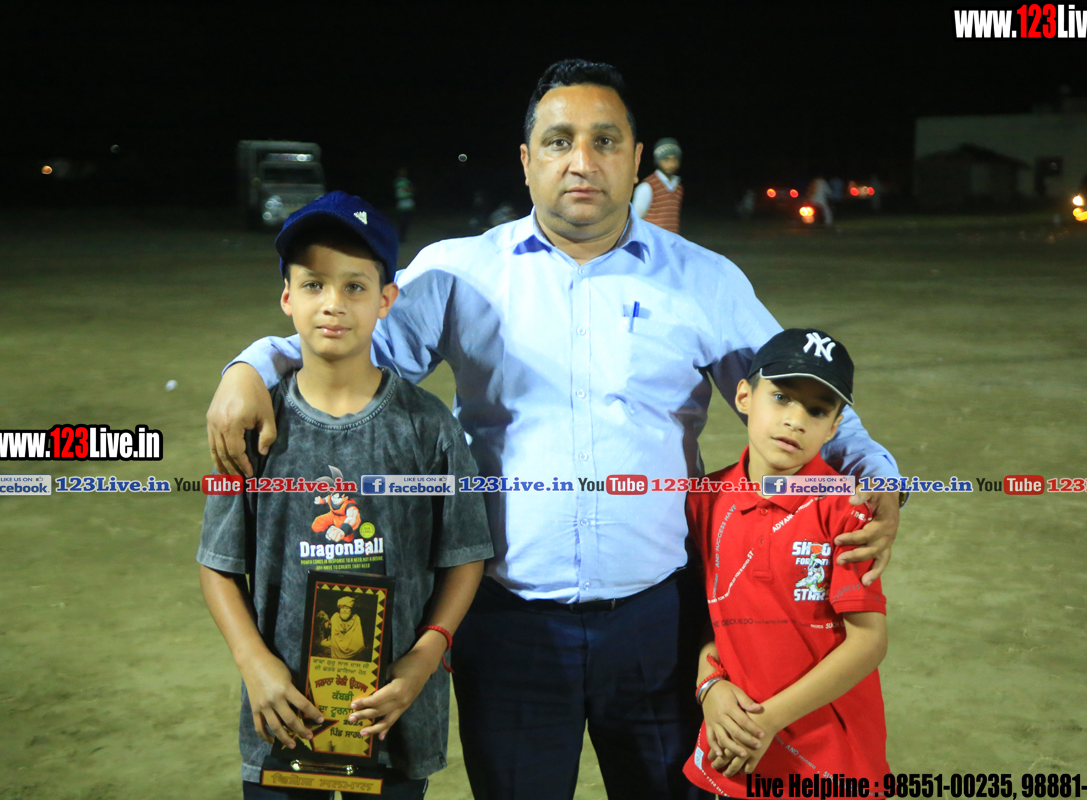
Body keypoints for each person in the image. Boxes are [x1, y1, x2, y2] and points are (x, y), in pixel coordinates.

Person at [206, 60, 903, 800]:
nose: (582, 161)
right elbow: (342, 344)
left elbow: (793, 390)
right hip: (508, 627)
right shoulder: (461, 273)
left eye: (605, 141)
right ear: (526, 159)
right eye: (559, 140)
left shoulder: (704, 280)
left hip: (660, 619)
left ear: (635, 160)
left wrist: (879, 476)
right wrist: (251, 365)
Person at [197, 191, 493, 800]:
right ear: (287, 297)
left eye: (355, 286)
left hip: (393, 721)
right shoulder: (257, 426)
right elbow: (218, 564)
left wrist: (425, 657)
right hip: (284, 720)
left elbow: (465, 555)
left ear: (386, 300)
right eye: (314, 285)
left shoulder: (428, 427)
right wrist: (255, 664)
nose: (333, 303)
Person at [683, 329, 889, 796]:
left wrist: (769, 720)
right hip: (736, 742)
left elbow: (868, 641)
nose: (795, 420)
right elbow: (708, 614)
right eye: (781, 397)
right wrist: (709, 684)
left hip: (828, 755)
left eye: (817, 410)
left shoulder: (846, 510)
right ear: (743, 396)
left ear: (834, 427)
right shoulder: (705, 501)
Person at [632, 137, 685, 233]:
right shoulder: (647, 187)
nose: (672, 164)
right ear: (658, 161)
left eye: (675, 159)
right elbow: (636, 219)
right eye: (666, 160)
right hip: (650, 240)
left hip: (671, 240)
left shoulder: (678, 188)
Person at [324, 596, 365, 660]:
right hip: (335, 649)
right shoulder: (335, 617)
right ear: (339, 609)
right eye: (342, 608)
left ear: (351, 609)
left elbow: (359, 640)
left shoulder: (356, 618)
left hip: (352, 649)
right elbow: (331, 634)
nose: (345, 610)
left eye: (347, 608)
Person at [393, 167, 415, 242]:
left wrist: (410, 189)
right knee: (403, 221)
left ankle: (402, 237)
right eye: (402, 171)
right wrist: (410, 188)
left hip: (407, 201)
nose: (403, 173)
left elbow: (410, 190)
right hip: (403, 202)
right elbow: (408, 189)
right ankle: (401, 237)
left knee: (406, 221)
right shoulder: (400, 181)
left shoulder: (405, 181)